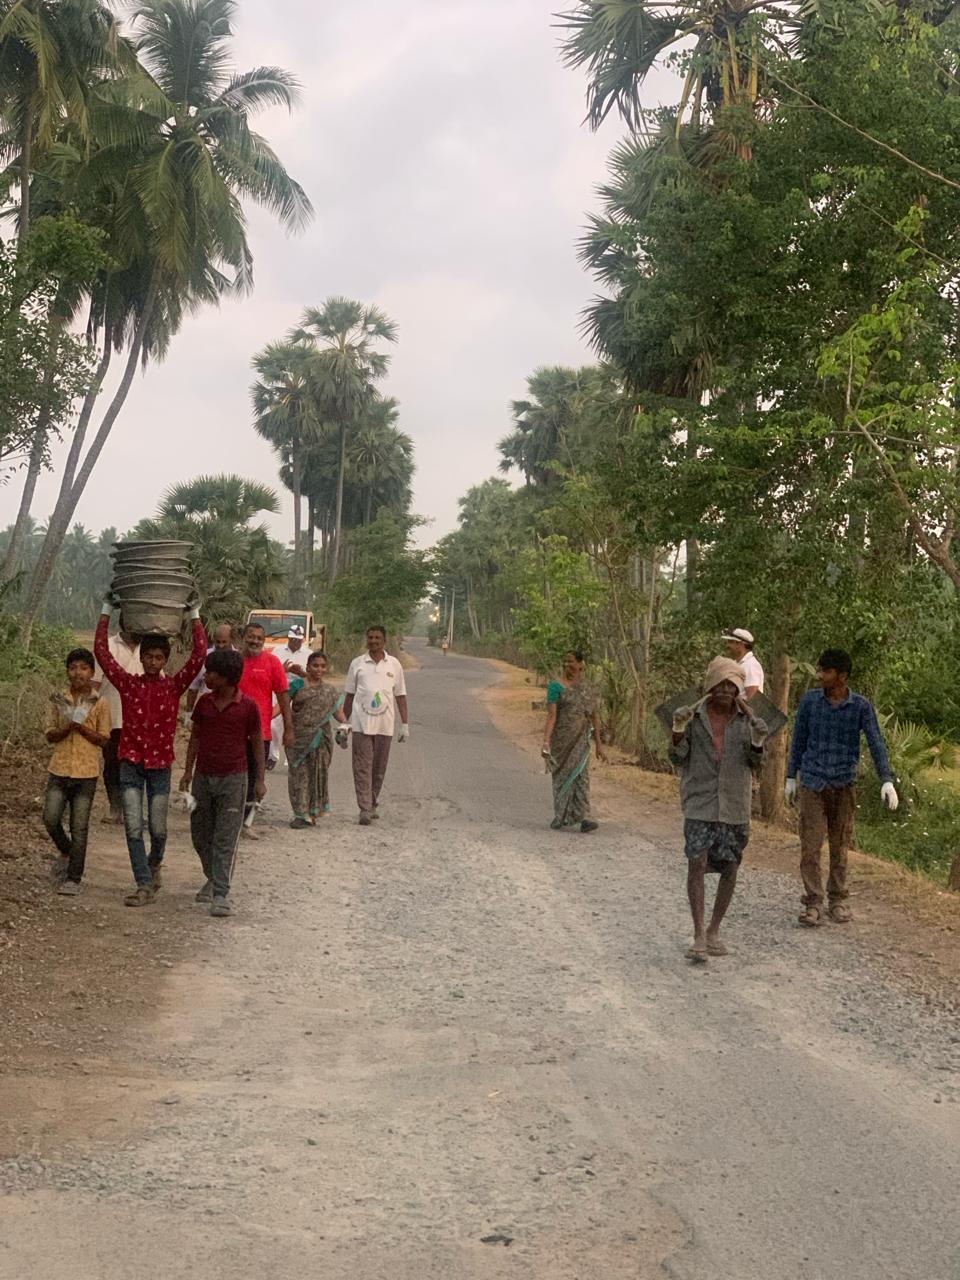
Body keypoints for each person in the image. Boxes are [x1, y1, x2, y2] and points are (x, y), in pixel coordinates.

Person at [95, 602, 206, 907]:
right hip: (130, 763)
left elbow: (199, 656)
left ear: (165, 660)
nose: (154, 662)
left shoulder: (173, 687)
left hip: (159, 766)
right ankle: (143, 884)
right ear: (141, 658)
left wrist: (194, 614)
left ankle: (154, 863)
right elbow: (102, 653)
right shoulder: (128, 684)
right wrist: (106, 610)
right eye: (149, 657)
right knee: (133, 826)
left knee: (158, 828)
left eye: (159, 657)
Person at [786, 648, 898, 927]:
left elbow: (875, 742)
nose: (820, 675)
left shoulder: (860, 707)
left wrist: (886, 779)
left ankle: (837, 899)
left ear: (842, 676)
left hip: (844, 782)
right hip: (813, 780)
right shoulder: (810, 702)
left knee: (840, 845)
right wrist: (790, 776)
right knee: (810, 845)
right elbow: (798, 740)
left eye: (826, 671)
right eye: (820, 670)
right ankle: (813, 902)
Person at [670, 657, 768, 963]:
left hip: (735, 805)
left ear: (738, 689)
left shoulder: (749, 721)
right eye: (720, 684)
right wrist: (677, 730)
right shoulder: (693, 717)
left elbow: (757, 764)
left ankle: (714, 930)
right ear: (710, 686)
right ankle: (699, 934)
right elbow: (677, 758)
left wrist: (758, 742)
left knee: (730, 866)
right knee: (696, 863)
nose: (725, 690)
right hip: (700, 801)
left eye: (731, 685)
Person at [179, 648, 264, 918]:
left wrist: (259, 780)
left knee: (226, 837)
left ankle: (221, 893)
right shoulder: (204, 704)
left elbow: (257, 743)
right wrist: (187, 771)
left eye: (211, 673)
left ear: (226, 676)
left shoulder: (247, 707)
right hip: (203, 777)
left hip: (234, 779)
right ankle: (213, 876)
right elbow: (195, 737)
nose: (206, 677)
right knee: (200, 834)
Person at [43, 647, 112, 896]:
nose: (78, 673)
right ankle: (67, 850)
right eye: (73, 668)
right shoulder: (58, 699)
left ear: (92, 672)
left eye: (83, 668)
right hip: (59, 768)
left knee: (79, 827)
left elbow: (104, 739)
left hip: (86, 773)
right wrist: (68, 727)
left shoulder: (99, 702)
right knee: (50, 818)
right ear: (67, 671)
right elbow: (49, 733)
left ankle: (74, 877)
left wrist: (81, 727)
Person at [343, 625, 409, 826]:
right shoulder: (357, 664)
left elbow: (400, 695)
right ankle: (364, 808)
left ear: (384, 641)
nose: (373, 641)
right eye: (370, 637)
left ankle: (372, 802)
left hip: (384, 725)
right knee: (362, 767)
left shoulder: (394, 665)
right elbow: (349, 695)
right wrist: (344, 723)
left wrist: (404, 724)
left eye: (377, 638)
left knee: (378, 768)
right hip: (361, 724)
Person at [541, 649, 607, 833]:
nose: (567, 665)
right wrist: (546, 742)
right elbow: (552, 716)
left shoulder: (588, 689)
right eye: (565, 661)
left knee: (581, 778)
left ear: (580, 664)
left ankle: (583, 817)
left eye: (571, 661)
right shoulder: (555, 687)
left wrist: (599, 744)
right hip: (561, 741)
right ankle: (560, 815)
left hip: (581, 741)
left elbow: (594, 716)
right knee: (561, 777)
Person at [238, 622, 292, 835]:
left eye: (259, 638)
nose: (255, 641)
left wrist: (289, 728)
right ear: (244, 637)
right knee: (234, 777)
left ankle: (246, 823)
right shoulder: (234, 661)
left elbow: (283, 696)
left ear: (264, 640)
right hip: (233, 732)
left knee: (256, 778)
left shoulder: (272, 662)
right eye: (251, 636)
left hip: (261, 733)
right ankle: (230, 821)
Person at [287, 651, 347, 828]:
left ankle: (311, 813)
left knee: (317, 775)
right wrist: (266, 719)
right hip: (298, 738)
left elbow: (338, 713)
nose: (319, 669)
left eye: (322, 666)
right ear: (308, 667)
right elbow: (282, 705)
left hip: (321, 739)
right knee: (298, 775)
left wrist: (345, 725)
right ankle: (300, 814)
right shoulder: (297, 685)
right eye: (315, 666)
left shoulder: (329, 691)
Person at [94, 623, 143, 822]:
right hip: (111, 717)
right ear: (127, 622)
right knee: (112, 765)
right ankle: (115, 807)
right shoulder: (107, 646)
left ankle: (132, 810)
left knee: (136, 766)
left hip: (140, 721)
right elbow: (95, 684)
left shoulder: (148, 649)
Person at [270, 624, 308, 766]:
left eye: (298, 640)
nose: (295, 642)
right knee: (273, 724)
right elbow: (271, 671)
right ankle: (273, 756)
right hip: (280, 691)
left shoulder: (308, 654)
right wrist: (284, 670)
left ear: (302, 640)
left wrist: (301, 673)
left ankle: (290, 758)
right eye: (293, 639)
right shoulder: (277, 651)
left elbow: (313, 675)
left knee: (295, 724)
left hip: (299, 692)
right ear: (288, 638)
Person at [185, 622, 236, 714]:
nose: (220, 646)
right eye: (218, 642)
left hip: (232, 712)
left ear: (232, 639)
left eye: (224, 642)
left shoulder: (239, 659)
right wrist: (188, 714)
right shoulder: (204, 657)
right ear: (214, 639)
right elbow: (193, 688)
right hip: (208, 710)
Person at [722, 628, 764, 697]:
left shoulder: (751, 665)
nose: (727, 646)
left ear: (740, 644)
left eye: (730, 642)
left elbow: (752, 696)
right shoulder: (738, 664)